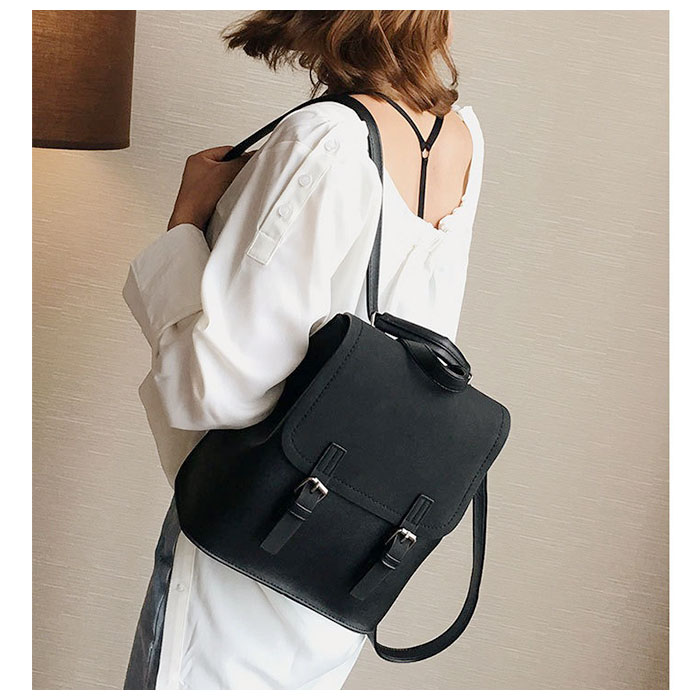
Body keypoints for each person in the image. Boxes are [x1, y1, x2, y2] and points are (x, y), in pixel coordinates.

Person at [121, 10, 483, 690]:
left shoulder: (322, 138)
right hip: (348, 542)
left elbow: (216, 389)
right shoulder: (459, 137)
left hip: (249, 540)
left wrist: (184, 224)